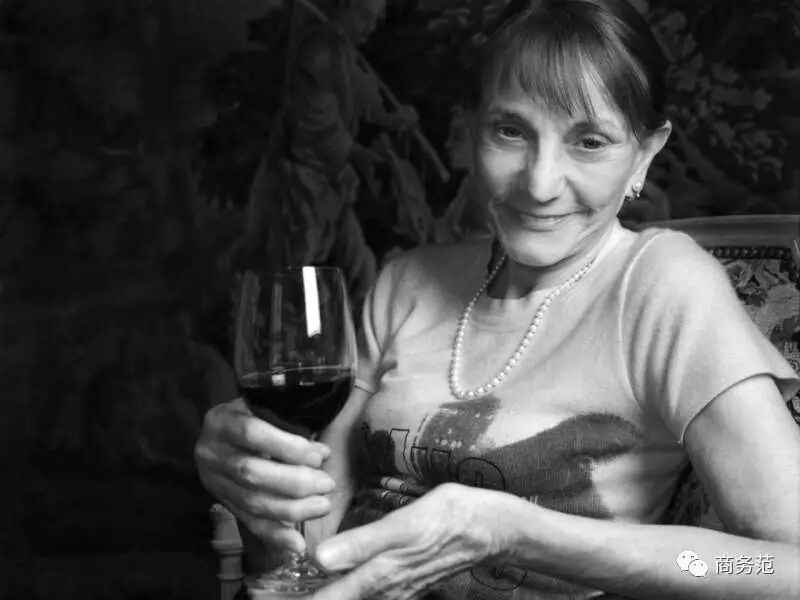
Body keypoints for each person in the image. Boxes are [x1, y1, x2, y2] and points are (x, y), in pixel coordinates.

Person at [195, 0, 800, 598]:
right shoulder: (405, 282)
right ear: (470, 130)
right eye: (510, 131)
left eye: (590, 141)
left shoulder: (665, 285)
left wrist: (516, 534)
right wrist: (257, 499)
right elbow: (307, 554)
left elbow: (782, 570)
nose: (540, 184)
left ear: (645, 153)